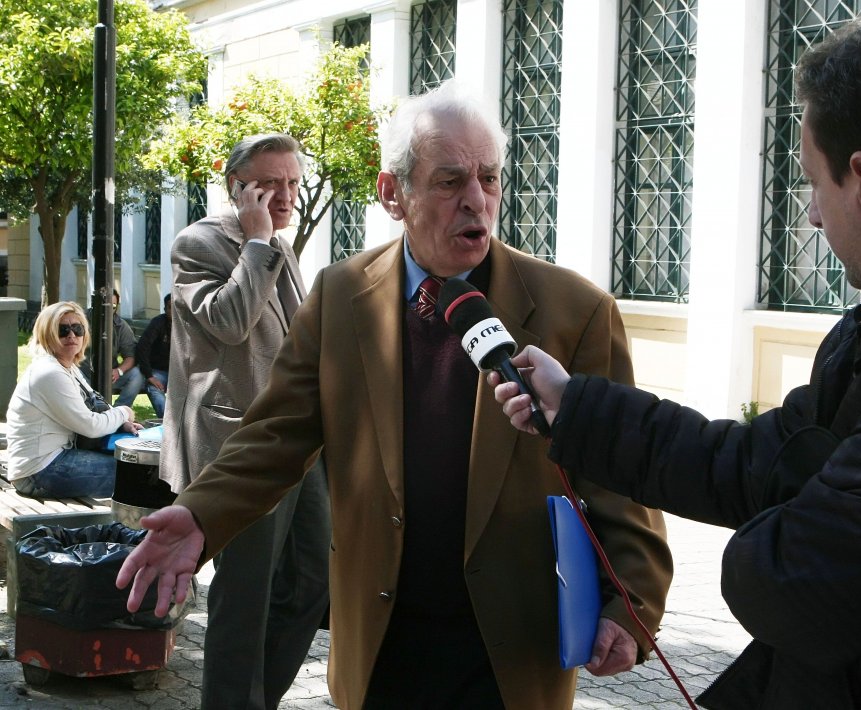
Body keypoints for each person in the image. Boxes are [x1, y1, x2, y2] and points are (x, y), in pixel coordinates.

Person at [490, 14, 861, 709]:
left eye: (814, 183)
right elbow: (750, 461)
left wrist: (784, 514)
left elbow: (794, 583)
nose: (811, 216)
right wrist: (578, 407)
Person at [117, 81, 672, 709]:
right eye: (449, 181)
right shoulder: (341, 296)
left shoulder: (576, 311)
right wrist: (201, 514)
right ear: (392, 194)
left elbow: (620, 472)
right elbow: (276, 433)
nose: (477, 201)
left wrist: (631, 604)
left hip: (511, 650)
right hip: (381, 643)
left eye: (489, 178)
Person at [158, 133, 331, 710]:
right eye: (270, 184)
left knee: (311, 583)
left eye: (292, 183)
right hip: (237, 447)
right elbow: (230, 322)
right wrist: (256, 242)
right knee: (245, 598)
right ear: (239, 187)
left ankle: (256, 699)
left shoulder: (281, 245)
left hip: (297, 443)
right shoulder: (200, 243)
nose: (286, 195)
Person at [5, 301, 143, 498]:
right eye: (62, 330)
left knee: (136, 465)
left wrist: (122, 424)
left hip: (52, 460)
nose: (71, 335)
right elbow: (90, 425)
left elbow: (95, 405)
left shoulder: (67, 367)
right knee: (136, 474)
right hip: (38, 472)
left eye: (77, 329)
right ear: (47, 335)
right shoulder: (49, 372)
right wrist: (124, 412)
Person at [135, 294, 172, 418]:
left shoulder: (188, 325)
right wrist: (149, 375)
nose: (174, 311)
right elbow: (142, 347)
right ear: (165, 309)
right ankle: (167, 421)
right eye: (170, 307)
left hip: (180, 375)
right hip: (158, 371)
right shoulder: (158, 323)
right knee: (154, 388)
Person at [109, 289, 145, 408]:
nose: (109, 309)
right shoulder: (82, 320)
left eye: (113, 306)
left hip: (110, 375)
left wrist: (119, 371)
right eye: (105, 305)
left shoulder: (121, 326)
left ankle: (118, 411)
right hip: (84, 374)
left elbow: (131, 355)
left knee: (137, 375)